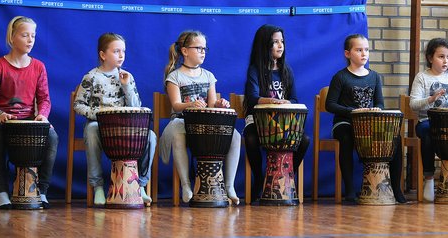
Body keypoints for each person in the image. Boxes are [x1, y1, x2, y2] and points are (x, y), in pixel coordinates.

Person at [73, 32, 156, 206]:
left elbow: (136, 106)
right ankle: (98, 187)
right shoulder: (91, 77)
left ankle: (140, 185)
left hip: (124, 128)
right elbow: (78, 105)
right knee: (91, 129)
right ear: (103, 55)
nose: (121, 55)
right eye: (116, 51)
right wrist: (101, 115)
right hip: (101, 126)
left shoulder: (127, 77)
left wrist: (126, 87)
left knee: (151, 136)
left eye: (123, 51)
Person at [159, 30, 241, 205]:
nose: (203, 52)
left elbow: (211, 105)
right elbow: (176, 105)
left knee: (235, 135)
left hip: (204, 125)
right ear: (185, 51)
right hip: (182, 122)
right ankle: (186, 185)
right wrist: (191, 104)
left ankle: (229, 186)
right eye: (198, 48)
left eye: (204, 48)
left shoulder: (209, 76)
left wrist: (219, 104)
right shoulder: (175, 76)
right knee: (178, 134)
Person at [326, 33, 406, 203]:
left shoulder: (374, 76)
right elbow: (330, 104)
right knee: (347, 138)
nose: (364, 54)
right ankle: (349, 190)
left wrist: (376, 109)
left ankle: (396, 188)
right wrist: (353, 111)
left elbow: (380, 103)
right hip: (345, 122)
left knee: (395, 139)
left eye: (366, 50)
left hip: (366, 123)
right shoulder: (340, 77)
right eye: (359, 50)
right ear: (347, 54)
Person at [0, 16, 58, 209]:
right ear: (12, 38)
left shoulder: (38, 66)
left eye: (33, 36)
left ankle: (42, 190)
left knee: (52, 136)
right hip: (5, 120)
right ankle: (1, 192)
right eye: (25, 35)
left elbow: (44, 99)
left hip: (29, 120)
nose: (30, 40)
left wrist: (43, 116)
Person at [243, 24, 310, 203]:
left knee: (304, 140)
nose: (280, 45)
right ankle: (260, 178)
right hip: (258, 122)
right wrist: (273, 101)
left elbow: (295, 100)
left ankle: (288, 174)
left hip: (282, 123)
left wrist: (286, 102)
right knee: (250, 139)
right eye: (275, 42)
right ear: (264, 45)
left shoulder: (286, 71)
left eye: (282, 41)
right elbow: (252, 98)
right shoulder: (255, 70)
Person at [409, 38, 448, 202]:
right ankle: (429, 178)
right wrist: (431, 99)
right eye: (441, 56)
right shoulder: (422, 77)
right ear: (430, 58)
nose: (445, 61)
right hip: (427, 122)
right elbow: (413, 104)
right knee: (429, 133)